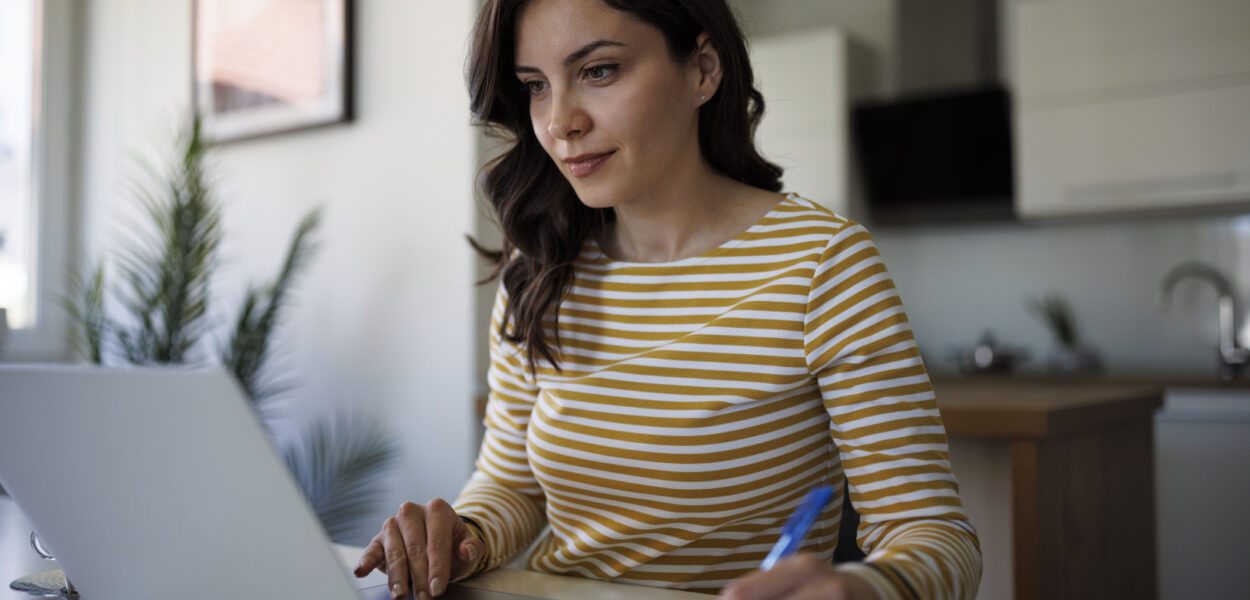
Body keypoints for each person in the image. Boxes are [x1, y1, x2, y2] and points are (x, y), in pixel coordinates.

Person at [355, 0, 982, 598]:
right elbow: (512, 487)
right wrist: (461, 535)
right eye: (536, 85)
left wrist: (866, 588)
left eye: (598, 71)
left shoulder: (822, 264)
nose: (559, 121)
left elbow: (933, 535)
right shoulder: (540, 269)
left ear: (703, 69)